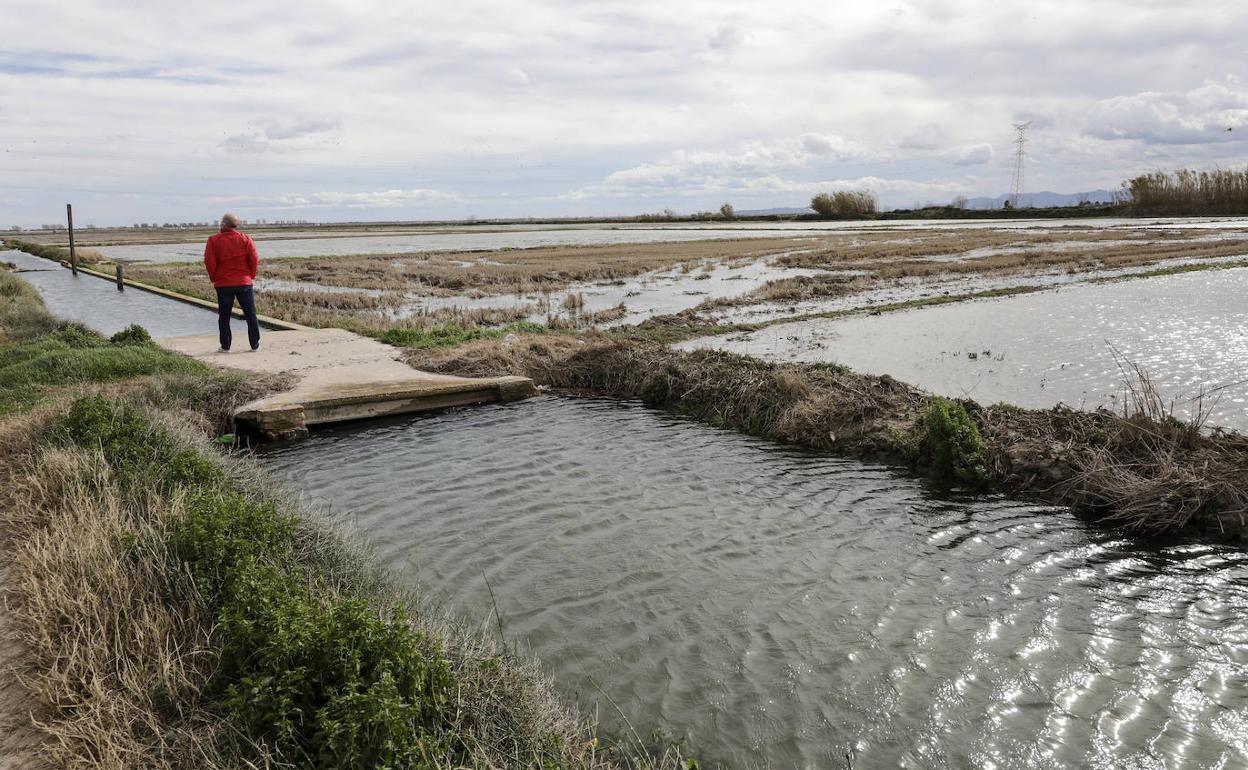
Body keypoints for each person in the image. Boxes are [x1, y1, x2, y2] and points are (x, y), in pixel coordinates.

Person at [203, 212, 261, 352]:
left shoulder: (213, 240)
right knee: (250, 314)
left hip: (224, 283)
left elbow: (209, 261)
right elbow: (254, 259)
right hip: (244, 282)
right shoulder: (246, 239)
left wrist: (214, 278)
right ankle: (254, 345)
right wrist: (250, 276)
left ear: (223, 224)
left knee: (224, 316)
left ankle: (225, 346)